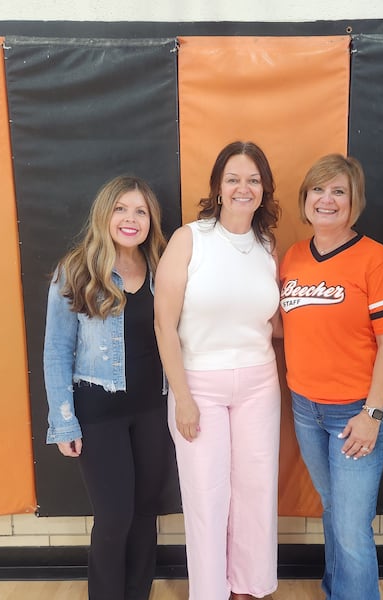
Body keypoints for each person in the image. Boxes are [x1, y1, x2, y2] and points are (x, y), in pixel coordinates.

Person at [153, 141, 282, 600]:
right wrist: (182, 397)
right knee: (208, 498)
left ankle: (250, 587)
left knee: (256, 491)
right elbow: (163, 324)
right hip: (199, 386)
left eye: (252, 179)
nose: (242, 187)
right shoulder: (190, 239)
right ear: (218, 187)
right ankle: (209, 593)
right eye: (233, 178)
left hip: (260, 384)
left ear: (264, 189)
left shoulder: (267, 245)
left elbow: (274, 319)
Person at [279, 154, 383, 600]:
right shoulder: (293, 257)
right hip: (305, 408)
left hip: (358, 410)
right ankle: (338, 590)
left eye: (339, 191)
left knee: (351, 526)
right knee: (334, 510)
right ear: (305, 199)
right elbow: (282, 324)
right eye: (318, 190)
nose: (327, 199)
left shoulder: (376, 259)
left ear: (355, 202)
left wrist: (372, 413)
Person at [43, 175, 175, 600]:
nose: (131, 219)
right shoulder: (76, 269)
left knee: (143, 516)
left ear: (151, 219)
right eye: (121, 208)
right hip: (99, 414)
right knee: (115, 517)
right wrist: (64, 423)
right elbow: (57, 351)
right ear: (105, 214)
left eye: (140, 210)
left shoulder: (163, 267)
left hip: (153, 411)